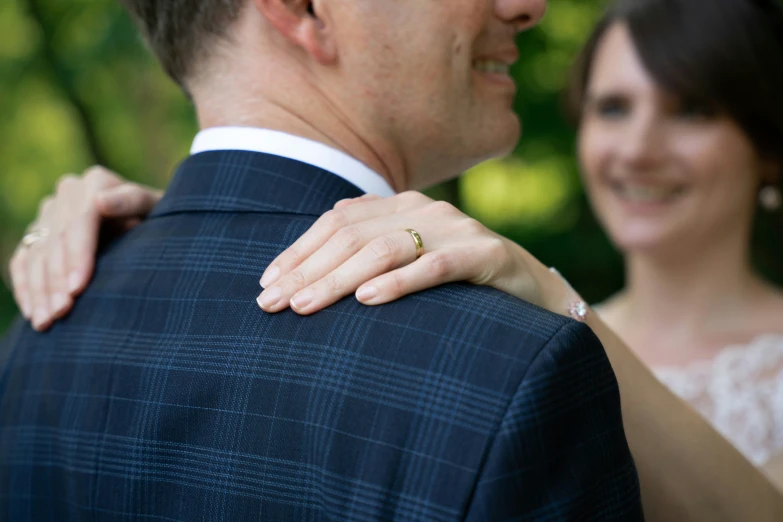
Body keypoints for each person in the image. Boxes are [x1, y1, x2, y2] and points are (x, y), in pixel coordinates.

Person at [11, 0, 783, 519]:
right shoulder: (513, 369)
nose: (529, 5)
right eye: (613, 106)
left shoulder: (36, 340)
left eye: (691, 108)